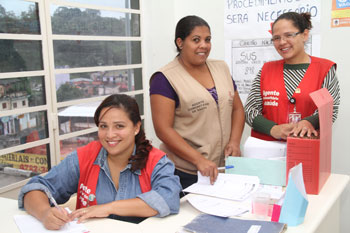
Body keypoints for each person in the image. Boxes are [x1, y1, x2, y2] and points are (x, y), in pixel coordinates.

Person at [18, 94, 181, 230]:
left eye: (119, 126)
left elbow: (168, 198)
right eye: (103, 126)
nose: (110, 135)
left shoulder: (157, 161)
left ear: (136, 127)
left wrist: (108, 208)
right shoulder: (85, 157)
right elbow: (34, 188)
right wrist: (45, 213)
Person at [149, 15, 245, 189]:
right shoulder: (164, 78)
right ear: (180, 42)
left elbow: (238, 109)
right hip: (184, 172)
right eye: (196, 40)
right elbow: (163, 130)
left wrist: (235, 142)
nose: (204, 45)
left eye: (207, 40)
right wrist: (198, 159)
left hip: (222, 169)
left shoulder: (221, 67)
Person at [244, 12, 340, 141]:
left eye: (289, 35)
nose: (282, 42)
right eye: (276, 38)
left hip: (307, 149)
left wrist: (309, 122)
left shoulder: (324, 69)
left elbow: (330, 109)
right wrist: (273, 129)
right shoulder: (266, 70)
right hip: (268, 152)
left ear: (305, 35)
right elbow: (250, 110)